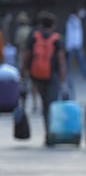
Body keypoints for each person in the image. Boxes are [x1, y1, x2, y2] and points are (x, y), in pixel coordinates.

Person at [20, 11, 68, 145]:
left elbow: (25, 57)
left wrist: (22, 76)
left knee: (45, 104)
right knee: (51, 105)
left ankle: (47, 133)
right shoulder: (57, 39)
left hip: (36, 76)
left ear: (41, 24)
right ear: (53, 25)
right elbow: (61, 61)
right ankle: (50, 134)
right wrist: (64, 82)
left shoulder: (34, 37)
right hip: (52, 76)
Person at [65, 8, 86, 81]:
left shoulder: (77, 20)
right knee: (68, 63)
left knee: (81, 61)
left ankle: (85, 75)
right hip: (72, 45)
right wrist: (68, 46)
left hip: (77, 45)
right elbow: (70, 34)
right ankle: (65, 75)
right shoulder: (72, 20)